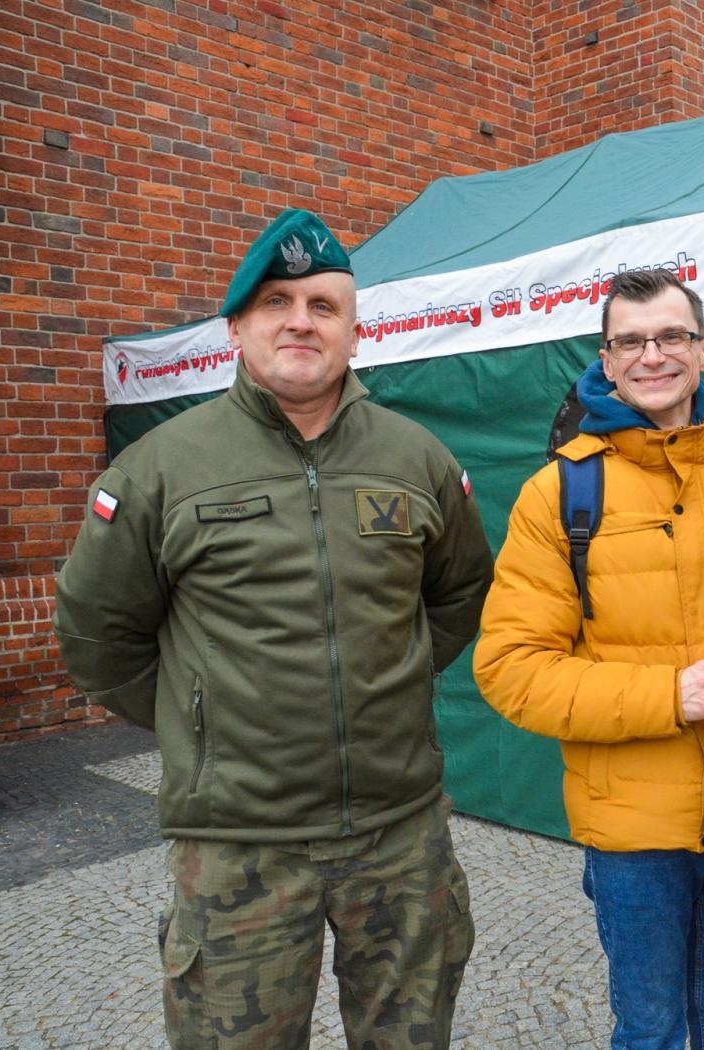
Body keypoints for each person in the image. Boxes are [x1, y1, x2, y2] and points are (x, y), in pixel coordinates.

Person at [53, 208, 493, 1049]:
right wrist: (202, 715)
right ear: (237, 330)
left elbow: (458, 594)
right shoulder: (158, 469)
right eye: (277, 302)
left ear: (354, 333)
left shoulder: (418, 458)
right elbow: (98, 636)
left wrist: (386, 680)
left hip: (400, 836)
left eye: (324, 305)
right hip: (239, 847)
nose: (301, 320)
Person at [473, 268, 704, 1050]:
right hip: (631, 834)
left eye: (672, 336)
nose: (653, 355)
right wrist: (670, 695)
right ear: (608, 360)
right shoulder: (559, 494)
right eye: (631, 341)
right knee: (648, 1030)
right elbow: (510, 668)